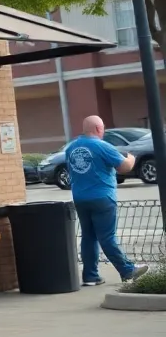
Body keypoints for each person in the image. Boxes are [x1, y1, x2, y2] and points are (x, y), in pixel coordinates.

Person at [65, 116, 150, 286]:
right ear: (98, 128)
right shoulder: (101, 146)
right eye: (102, 128)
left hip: (80, 198)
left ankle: (90, 276)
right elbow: (124, 167)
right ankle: (127, 270)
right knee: (107, 236)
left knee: (88, 237)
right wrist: (132, 158)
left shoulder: (71, 148)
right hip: (102, 197)